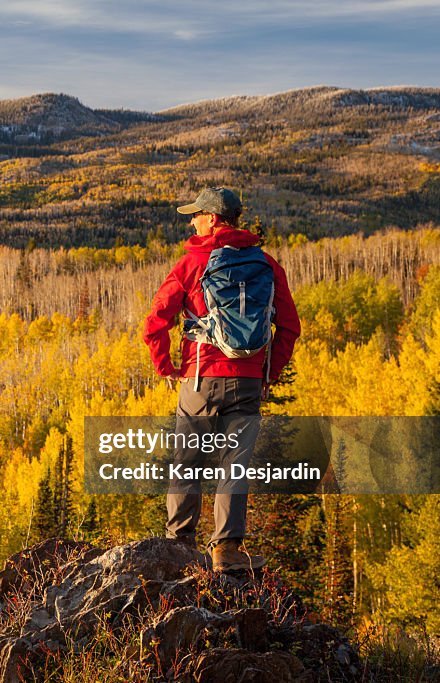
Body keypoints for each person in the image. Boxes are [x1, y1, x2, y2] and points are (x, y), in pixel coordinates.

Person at [144, 187, 301, 572]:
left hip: (202, 378)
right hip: (248, 381)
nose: (191, 220)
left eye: (196, 214)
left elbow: (155, 324)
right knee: (236, 465)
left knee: (188, 463)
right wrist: (268, 373)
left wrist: (166, 366)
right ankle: (226, 552)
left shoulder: (192, 264)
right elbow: (290, 327)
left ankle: (180, 547)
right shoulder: (266, 264)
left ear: (213, 219)